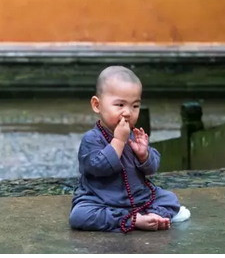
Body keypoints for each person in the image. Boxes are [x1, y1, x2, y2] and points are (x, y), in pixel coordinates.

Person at [69, 66, 191, 233]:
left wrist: (144, 155)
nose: (127, 112)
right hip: (101, 200)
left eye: (135, 106)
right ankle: (136, 219)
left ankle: (150, 217)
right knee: (80, 215)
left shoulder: (133, 134)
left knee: (169, 199)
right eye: (120, 105)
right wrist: (118, 141)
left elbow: (152, 168)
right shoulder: (92, 139)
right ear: (97, 105)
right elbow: (98, 168)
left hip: (139, 198)